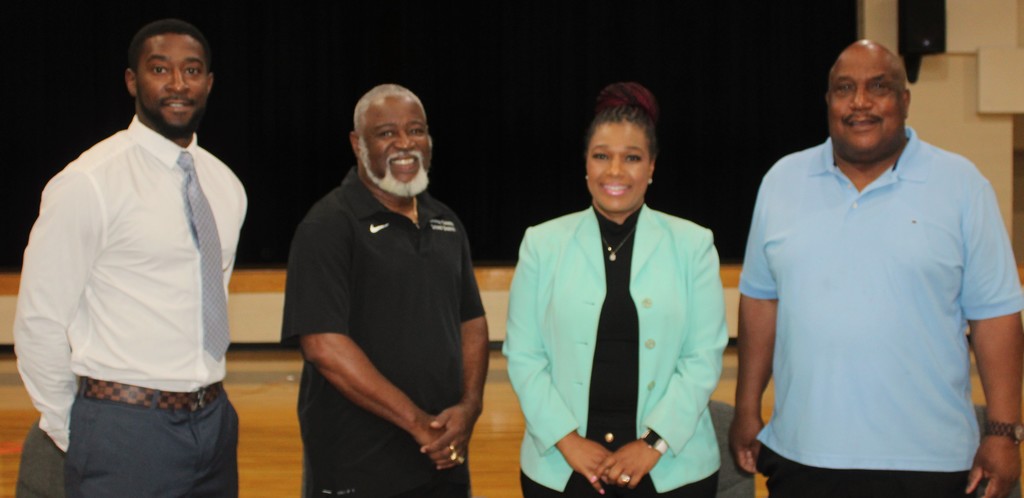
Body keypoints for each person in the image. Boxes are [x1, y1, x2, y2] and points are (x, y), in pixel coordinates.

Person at [730, 39, 1024, 498]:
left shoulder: (963, 185)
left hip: (931, 463)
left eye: (878, 87)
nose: (860, 102)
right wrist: (747, 407)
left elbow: (996, 317)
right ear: (828, 101)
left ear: (904, 100)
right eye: (844, 88)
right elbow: (760, 303)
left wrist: (1004, 433)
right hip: (804, 457)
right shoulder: (782, 181)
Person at [14, 18, 247, 497]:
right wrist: (73, 429)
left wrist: (214, 415)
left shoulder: (226, 186)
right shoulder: (90, 183)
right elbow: (39, 320)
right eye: (160, 69)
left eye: (192, 70)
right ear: (131, 81)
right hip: (122, 427)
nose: (178, 84)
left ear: (208, 82)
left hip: (214, 421)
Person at [504, 82, 727, 497]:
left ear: (652, 167)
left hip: (671, 469)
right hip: (562, 467)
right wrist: (567, 440)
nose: (615, 172)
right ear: (586, 164)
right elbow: (523, 355)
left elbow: (702, 358)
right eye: (602, 156)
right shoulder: (542, 243)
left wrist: (653, 444)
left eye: (632, 158)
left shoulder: (693, 244)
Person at [281, 83, 489, 497]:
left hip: (443, 459)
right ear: (357, 144)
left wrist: (468, 408)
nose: (405, 143)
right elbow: (324, 346)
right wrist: (418, 423)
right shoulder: (328, 225)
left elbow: (472, 323)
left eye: (416, 130)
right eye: (386, 133)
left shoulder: (446, 222)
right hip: (358, 464)